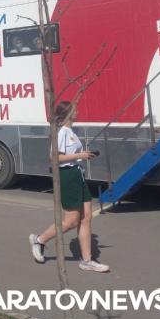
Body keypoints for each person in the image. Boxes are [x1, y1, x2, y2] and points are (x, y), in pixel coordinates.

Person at [29, 101, 110, 273]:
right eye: (74, 110)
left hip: (77, 174)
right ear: (67, 113)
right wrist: (80, 155)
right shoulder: (61, 132)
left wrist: (83, 156)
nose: (77, 111)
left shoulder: (70, 131)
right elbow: (54, 157)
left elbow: (71, 155)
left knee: (86, 217)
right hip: (68, 176)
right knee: (71, 221)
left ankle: (87, 261)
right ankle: (39, 240)